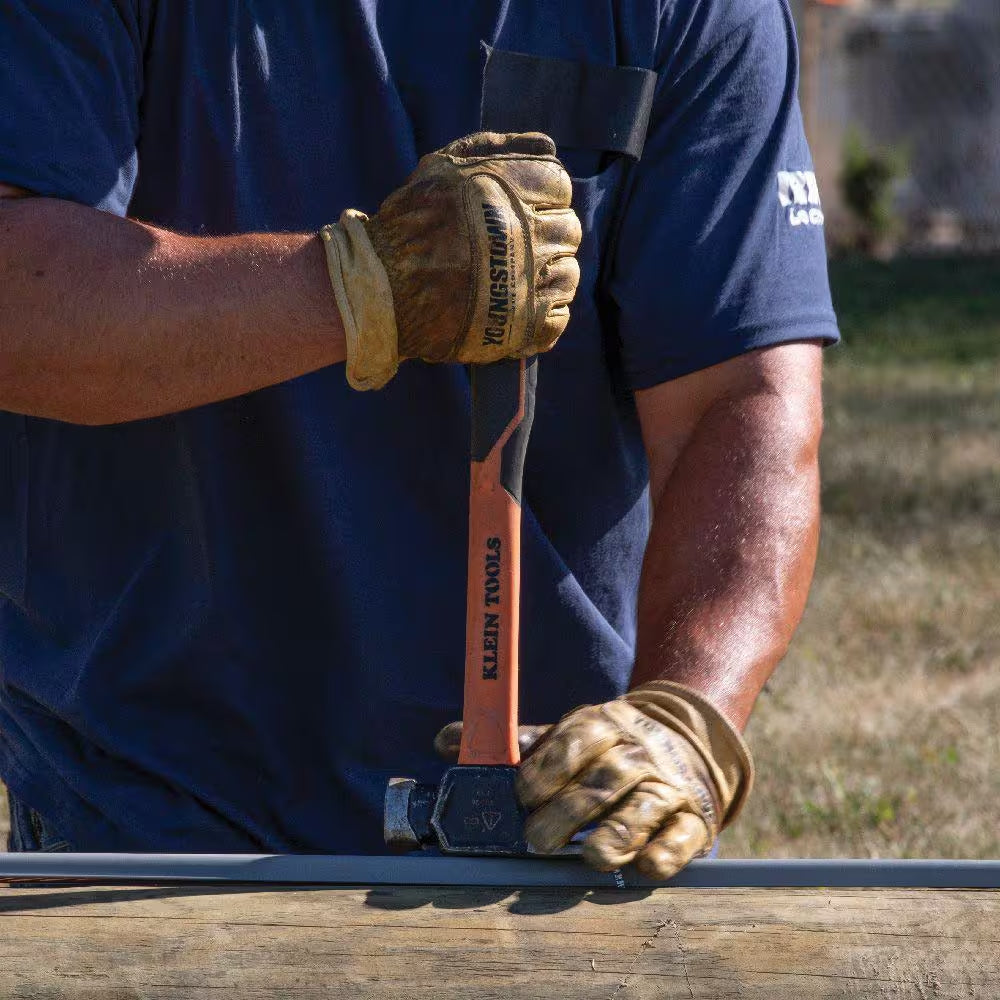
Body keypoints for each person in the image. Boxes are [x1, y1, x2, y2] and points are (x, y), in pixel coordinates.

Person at [0, 0, 838, 877]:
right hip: (146, 807)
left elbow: (739, 397)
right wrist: (362, 288)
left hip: (552, 817)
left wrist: (683, 717)